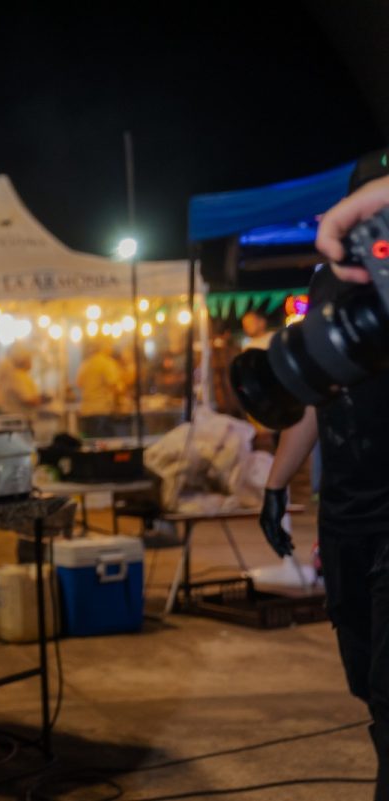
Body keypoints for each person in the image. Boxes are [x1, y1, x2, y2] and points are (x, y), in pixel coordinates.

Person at [260, 149, 389, 800]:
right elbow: (318, 392)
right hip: (345, 517)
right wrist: (277, 483)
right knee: (371, 691)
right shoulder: (328, 279)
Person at [76, 340, 125, 437]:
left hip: (86, 412)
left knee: (90, 446)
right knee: (106, 446)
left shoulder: (86, 363)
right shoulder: (106, 363)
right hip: (101, 412)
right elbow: (115, 386)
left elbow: (79, 383)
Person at [0, 345, 46, 417]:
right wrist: (42, 400)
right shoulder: (17, 377)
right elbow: (27, 400)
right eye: (29, 359)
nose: (31, 362)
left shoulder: (21, 375)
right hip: (17, 421)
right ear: (24, 361)